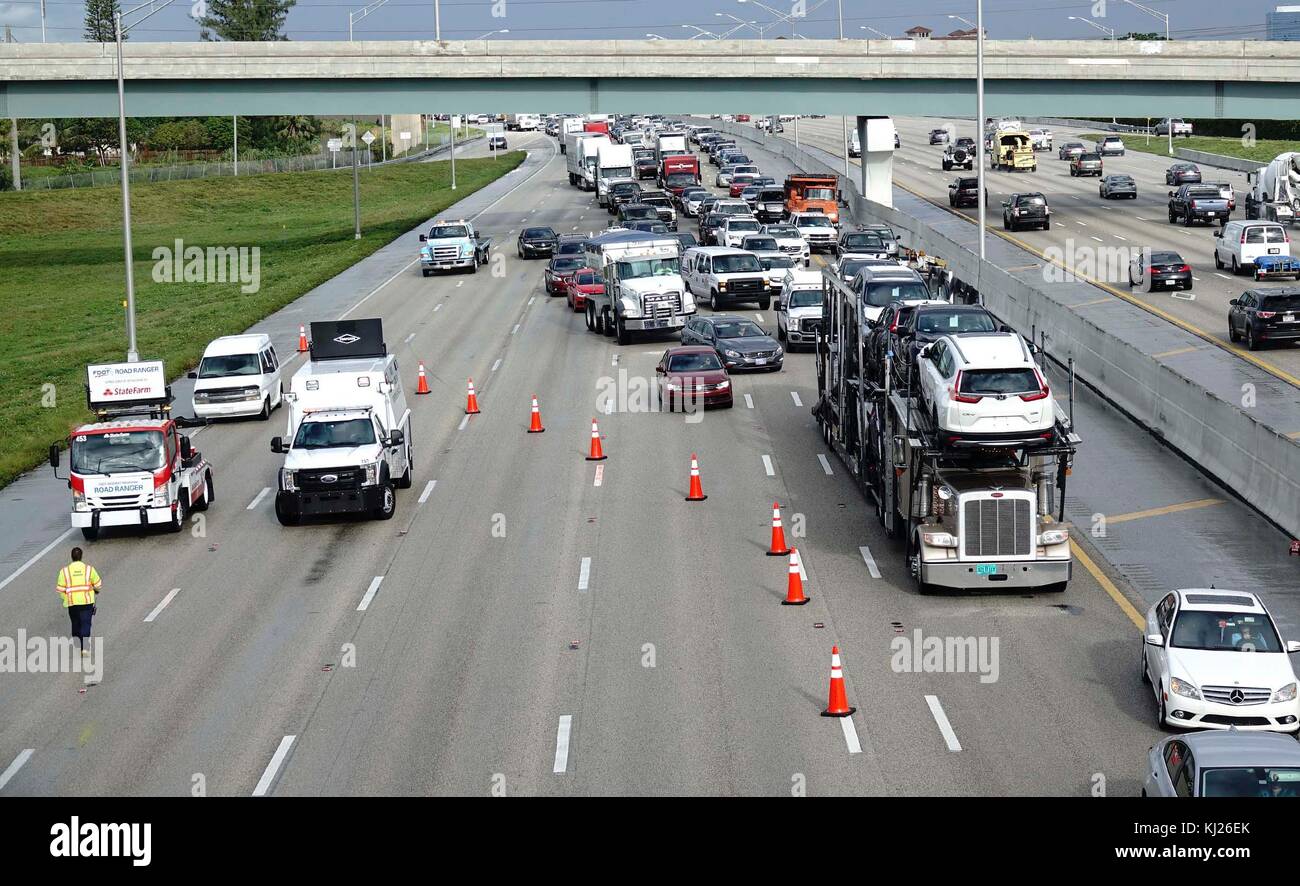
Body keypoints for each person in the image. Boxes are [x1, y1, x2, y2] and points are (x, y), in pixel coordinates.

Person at [56, 547, 101, 656]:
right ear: (81, 556)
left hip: (72, 604)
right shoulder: (89, 569)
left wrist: (66, 599)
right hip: (87, 602)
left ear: (72, 557)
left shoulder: (64, 571)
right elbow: (98, 585)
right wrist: (96, 590)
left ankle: (79, 644)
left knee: (76, 624)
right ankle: (84, 648)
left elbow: (61, 589)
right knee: (86, 624)